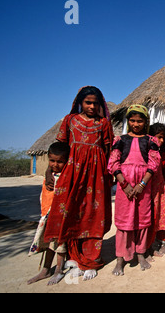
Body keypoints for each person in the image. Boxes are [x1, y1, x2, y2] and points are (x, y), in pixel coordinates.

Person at [44, 86, 114, 281]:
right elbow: (58, 148)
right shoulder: (70, 121)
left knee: (94, 213)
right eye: (88, 102)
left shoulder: (104, 124)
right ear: (80, 103)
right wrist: (50, 170)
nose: (92, 106)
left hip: (96, 175)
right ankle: (74, 257)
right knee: (73, 212)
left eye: (95, 103)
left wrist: (109, 175)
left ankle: (91, 259)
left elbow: (108, 151)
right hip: (72, 173)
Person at [107, 105, 160, 276]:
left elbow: (154, 164)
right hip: (125, 186)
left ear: (146, 122)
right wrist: (124, 184)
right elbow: (113, 163)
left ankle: (141, 254)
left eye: (140, 121)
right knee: (124, 222)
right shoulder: (120, 140)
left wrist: (141, 185)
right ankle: (121, 259)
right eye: (132, 120)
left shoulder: (151, 141)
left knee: (142, 220)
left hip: (143, 185)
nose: (136, 124)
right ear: (128, 121)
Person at [27, 142, 70, 285]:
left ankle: (58, 269)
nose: (55, 165)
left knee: (60, 244)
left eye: (60, 162)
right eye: (52, 161)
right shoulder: (50, 177)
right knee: (48, 242)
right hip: (47, 216)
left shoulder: (67, 177)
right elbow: (44, 196)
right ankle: (45, 269)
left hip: (61, 217)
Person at [148, 122, 165, 255]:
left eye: (163, 138)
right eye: (158, 137)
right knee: (150, 217)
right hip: (148, 188)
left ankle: (159, 243)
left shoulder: (161, 152)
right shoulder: (146, 150)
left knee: (160, 216)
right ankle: (148, 247)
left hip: (160, 187)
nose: (161, 141)